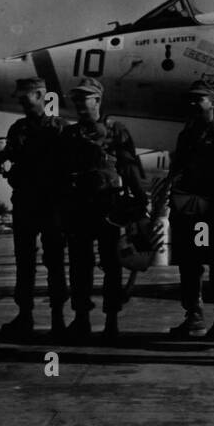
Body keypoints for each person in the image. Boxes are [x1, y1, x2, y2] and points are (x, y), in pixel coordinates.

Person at [60, 76, 147, 344]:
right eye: (75, 99)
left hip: (109, 208)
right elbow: (61, 173)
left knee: (112, 265)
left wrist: (142, 201)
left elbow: (130, 167)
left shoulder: (115, 130)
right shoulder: (70, 134)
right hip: (79, 209)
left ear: (97, 99)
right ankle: (82, 319)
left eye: (83, 98)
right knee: (79, 266)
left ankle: (111, 321)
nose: (78, 103)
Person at [0, 77, 69, 341]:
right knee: (24, 262)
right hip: (24, 203)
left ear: (41, 94)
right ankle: (25, 316)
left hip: (52, 203)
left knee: (54, 261)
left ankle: (58, 318)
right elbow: (2, 155)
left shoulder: (59, 128)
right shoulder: (17, 128)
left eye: (26, 95)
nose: (20, 100)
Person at [166, 79, 214, 340]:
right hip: (191, 213)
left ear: (213, 102)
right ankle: (194, 317)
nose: (194, 103)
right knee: (190, 264)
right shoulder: (187, 133)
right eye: (192, 98)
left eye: (200, 98)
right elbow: (179, 170)